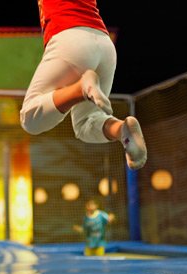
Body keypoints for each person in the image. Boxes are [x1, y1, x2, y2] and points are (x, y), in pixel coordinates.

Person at [20, 0, 147, 171]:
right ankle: (122, 130)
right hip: (104, 44)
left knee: (30, 119)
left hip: (70, 37)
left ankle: (81, 89)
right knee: (86, 122)